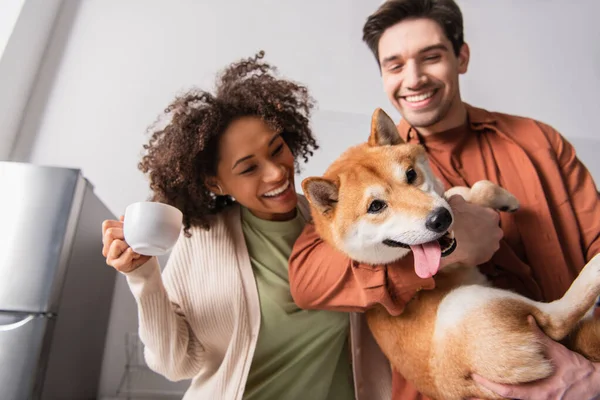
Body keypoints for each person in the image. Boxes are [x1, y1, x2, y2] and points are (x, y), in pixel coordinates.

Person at [288, 1, 600, 399]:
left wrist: (593, 376)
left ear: (462, 57)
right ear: (383, 75)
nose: (414, 78)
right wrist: (447, 255)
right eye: (395, 65)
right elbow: (307, 280)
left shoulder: (540, 143)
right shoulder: (360, 174)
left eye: (431, 57)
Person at [101, 52, 387, 400]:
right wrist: (143, 277)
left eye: (277, 148)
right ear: (216, 184)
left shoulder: (334, 222)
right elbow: (175, 365)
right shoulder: (202, 240)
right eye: (248, 169)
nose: (276, 172)